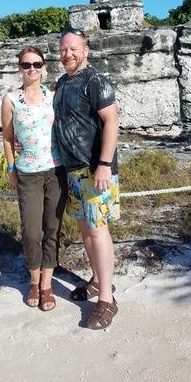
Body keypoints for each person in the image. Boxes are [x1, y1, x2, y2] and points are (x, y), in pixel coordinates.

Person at [54, 28, 120, 330]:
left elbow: (112, 121)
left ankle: (106, 299)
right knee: (85, 232)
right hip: (73, 171)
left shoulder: (95, 81)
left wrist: (104, 164)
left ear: (86, 50)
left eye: (74, 48)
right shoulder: (63, 83)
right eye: (64, 49)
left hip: (95, 170)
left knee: (98, 232)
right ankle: (96, 280)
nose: (68, 54)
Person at [1, 45, 67, 312]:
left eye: (37, 64)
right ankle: (33, 280)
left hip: (56, 170)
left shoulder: (54, 96)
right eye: (26, 65)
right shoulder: (11, 99)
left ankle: (47, 285)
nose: (32, 69)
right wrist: (10, 169)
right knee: (31, 231)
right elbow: (7, 138)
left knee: (52, 229)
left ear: (44, 67)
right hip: (27, 172)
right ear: (20, 68)